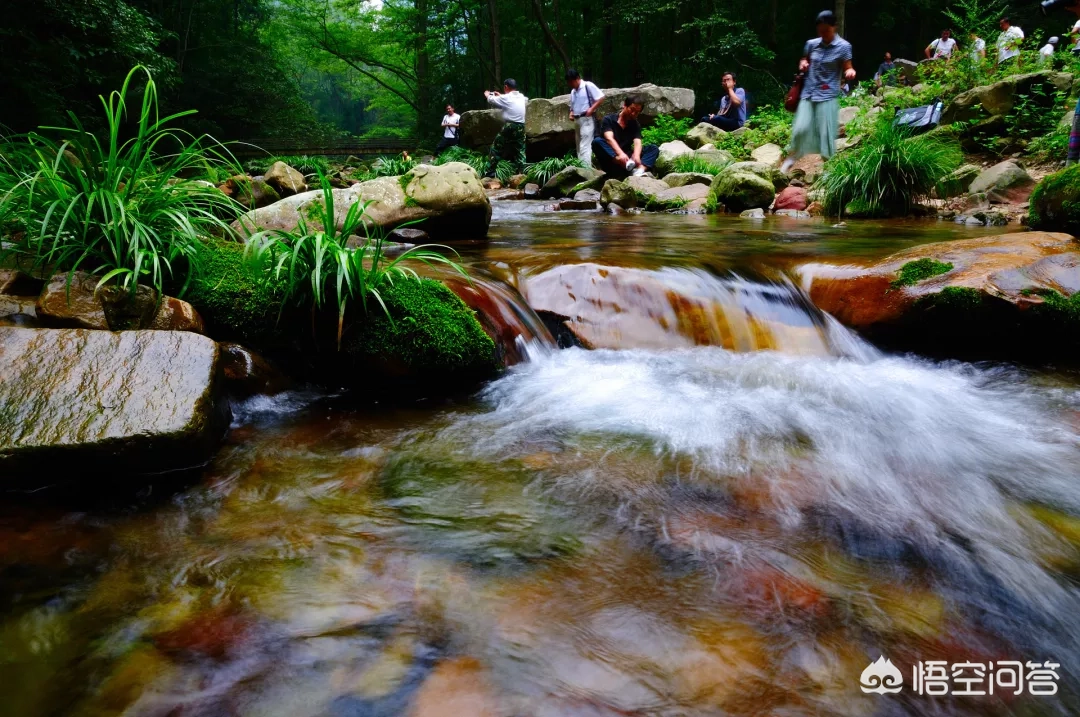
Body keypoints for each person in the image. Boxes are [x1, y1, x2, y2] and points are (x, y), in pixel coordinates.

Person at [781, 10, 855, 174]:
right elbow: (804, 60)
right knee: (800, 128)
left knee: (826, 134)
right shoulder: (811, 44)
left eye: (826, 31)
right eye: (820, 31)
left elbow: (848, 67)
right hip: (808, 93)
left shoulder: (844, 47)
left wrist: (850, 73)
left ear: (834, 27)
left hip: (827, 95)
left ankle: (830, 171)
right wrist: (802, 64)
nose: (823, 34)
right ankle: (792, 158)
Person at [591, 96, 659, 177]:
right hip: (612, 160)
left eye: (637, 112)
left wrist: (636, 155)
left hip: (629, 158)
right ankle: (627, 166)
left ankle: (639, 171)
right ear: (624, 106)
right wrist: (620, 155)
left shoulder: (635, 124)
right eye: (632, 109)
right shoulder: (608, 119)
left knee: (653, 148)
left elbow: (637, 142)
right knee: (597, 142)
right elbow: (609, 138)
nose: (633, 114)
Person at [483, 79, 528, 178]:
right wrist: (501, 96)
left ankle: (490, 172)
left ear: (506, 87)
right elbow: (524, 99)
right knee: (520, 150)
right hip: (521, 126)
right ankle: (522, 173)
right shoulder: (521, 97)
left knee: (496, 147)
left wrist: (487, 94)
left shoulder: (506, 98)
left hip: (510, 126)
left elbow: (491, 100)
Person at [566, 68, 605, 167]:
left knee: (585, 146)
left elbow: (601, 97)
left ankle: (586, 170)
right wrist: (571, 112)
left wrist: (591, 109)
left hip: (587, 119)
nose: (570, 84)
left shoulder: (588, 85)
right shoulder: (573, 91)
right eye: (568, 82)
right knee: (579, 146)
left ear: (577, 78)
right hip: (577, 119)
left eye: (571, 81)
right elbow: (573, 105)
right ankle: (581, 168)